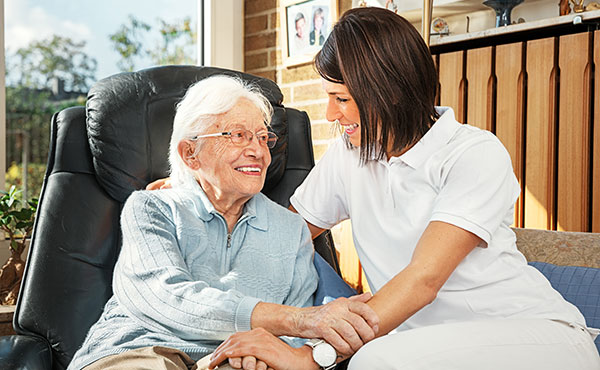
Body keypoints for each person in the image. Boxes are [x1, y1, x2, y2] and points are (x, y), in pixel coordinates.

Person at [206, 7, 600, 370]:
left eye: (341, 98)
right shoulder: (352, 155)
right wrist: (201, 187)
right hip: (428, 346)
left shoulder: (472, 153)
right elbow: (283, 238)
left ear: (388, 91)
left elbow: (422, 281)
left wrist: (311, 356)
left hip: (537, 336)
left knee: (376, 362)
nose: (330, 114)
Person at [67, 75, 379, 370]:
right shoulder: (151, 208)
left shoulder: (291, 229)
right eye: (238, 135)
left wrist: (269, 349)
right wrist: (299, 320)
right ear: (191, 153)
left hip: (235, 357)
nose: (257, 151)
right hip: (141, 350)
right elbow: (166, 297)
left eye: (262, 137)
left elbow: (291, 338)